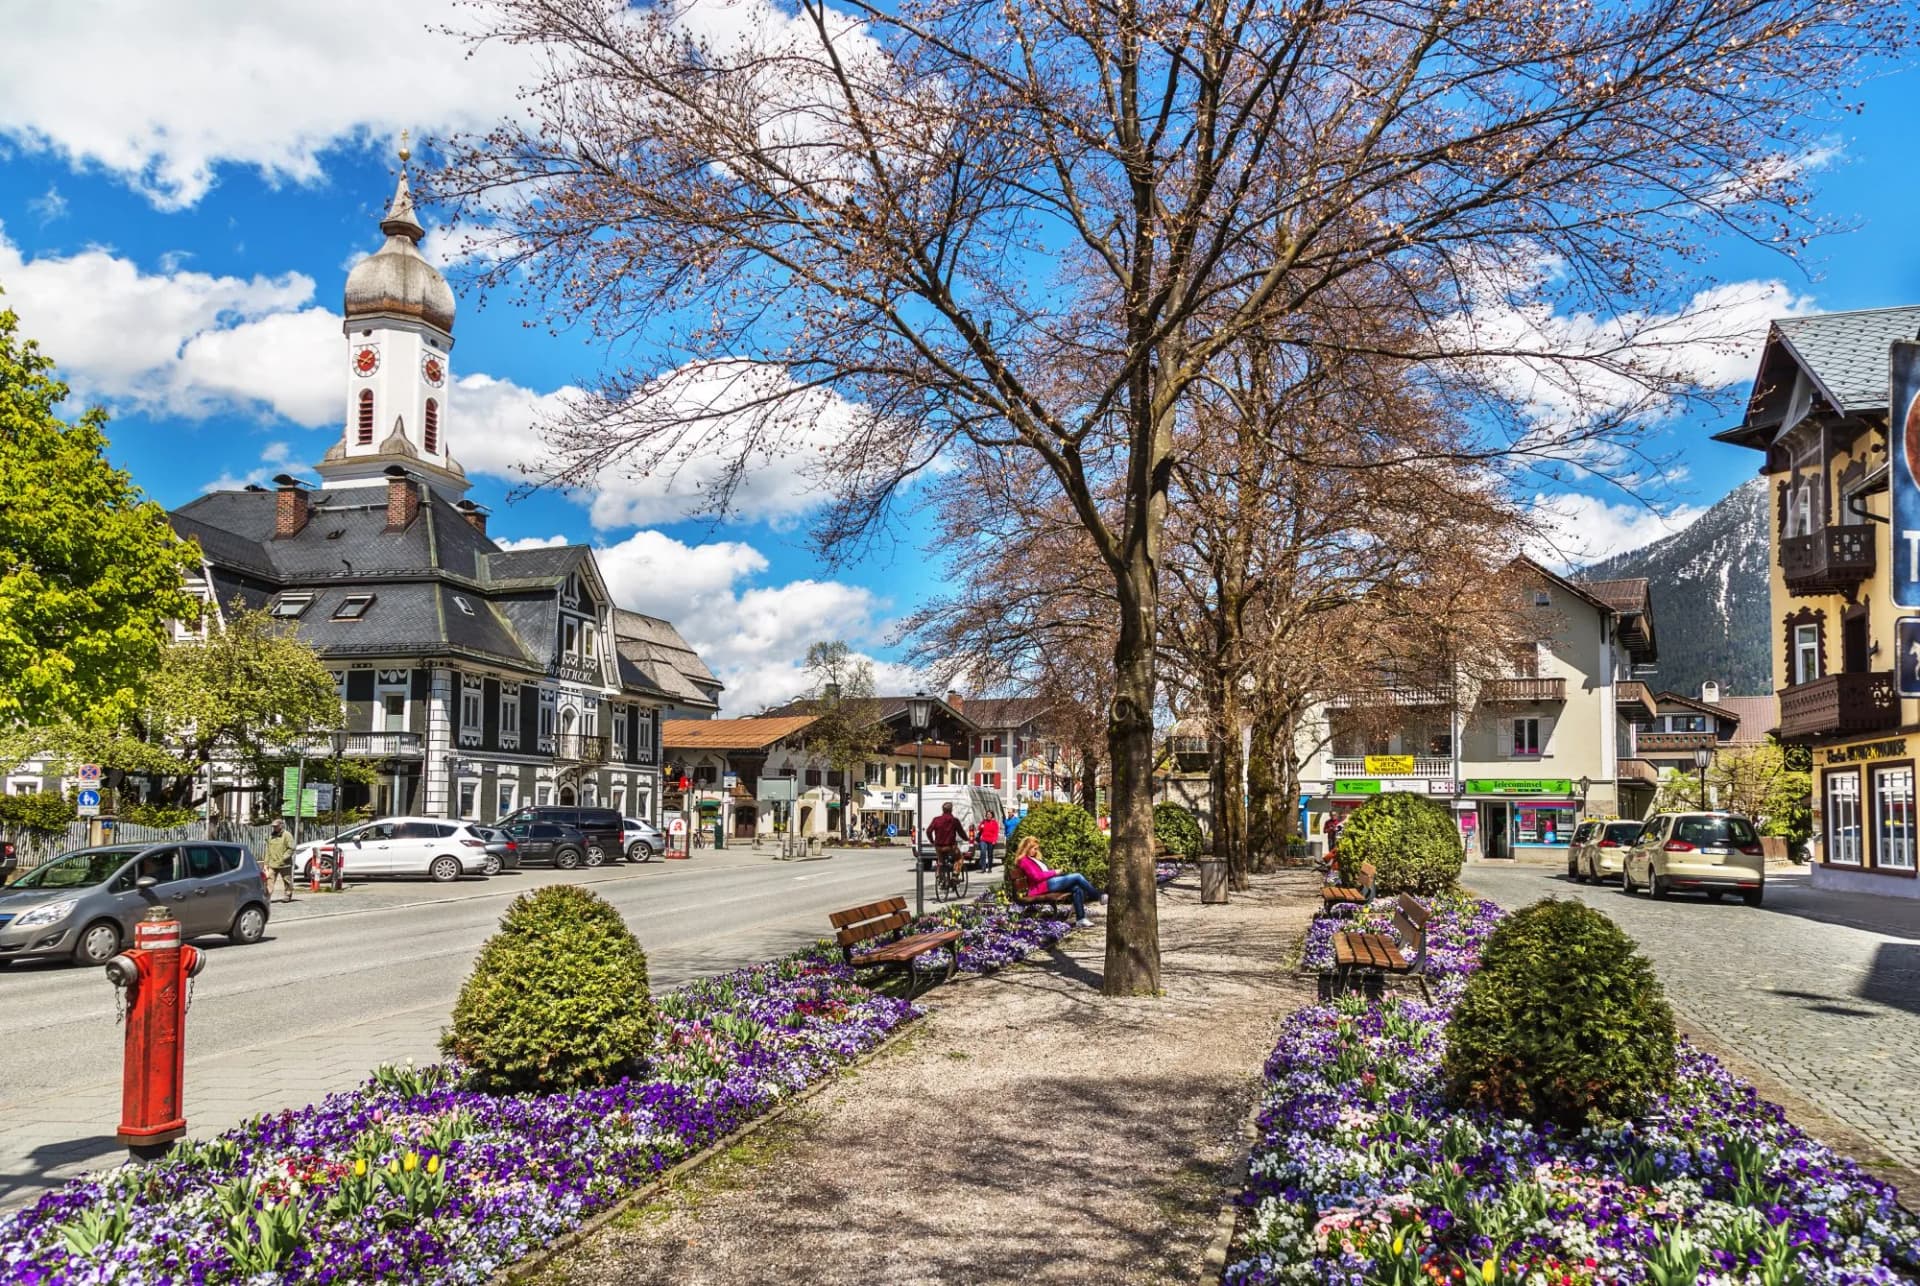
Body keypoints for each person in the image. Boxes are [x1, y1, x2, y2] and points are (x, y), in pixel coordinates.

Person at [1012, 835, 1105, 926]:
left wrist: (1054, 874)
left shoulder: (1032, 859)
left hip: (1047, 883)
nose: (1036, 851)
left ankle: (1081, 919)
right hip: (1042, 887)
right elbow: (1036, 877)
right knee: (1077, 876)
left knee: (1076, 888)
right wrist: (1054, 872)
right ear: (1027, 848)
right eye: (1034, 849)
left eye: (1037, 849)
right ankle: (1099, 896)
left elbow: (1041, 874)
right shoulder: (1024, 860)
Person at [925, 802, 971, 882]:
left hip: (938, 846)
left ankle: (939, 874)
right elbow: (961, 832)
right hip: (950, 846)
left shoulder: (936, 819)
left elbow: (929, 831)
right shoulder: (954, 820)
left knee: (941, 861)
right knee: (959, 858)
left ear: (942, 809)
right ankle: (955, 875)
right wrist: (967, 839)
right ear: (951, 810)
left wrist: (932, 841)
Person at [263, 819, 296, 902]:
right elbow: (268, 850)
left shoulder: (287, 835)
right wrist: (266, 863)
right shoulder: (271, 836)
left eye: (276, 826)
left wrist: (283, 858)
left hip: (285, 864)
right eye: (273, 826)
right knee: (269, 881)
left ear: (281, 825)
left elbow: (291, 848)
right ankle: (267, 897)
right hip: (272, 863)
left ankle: (288, 895)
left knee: (287, 880)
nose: (274, 828)